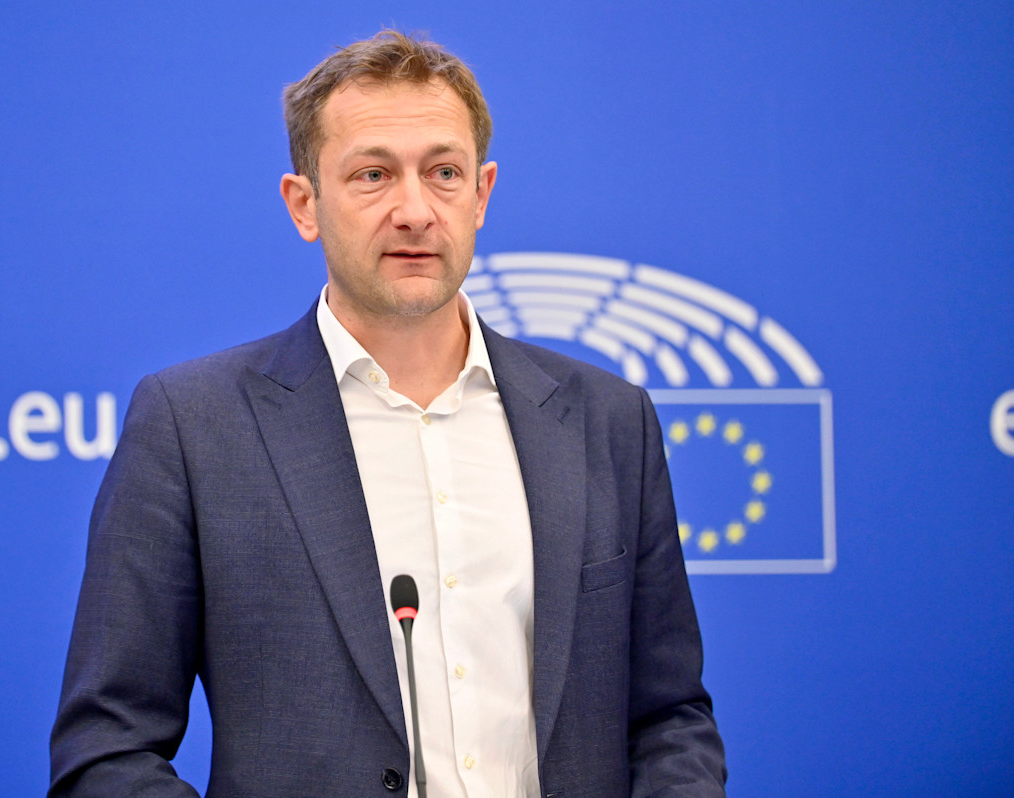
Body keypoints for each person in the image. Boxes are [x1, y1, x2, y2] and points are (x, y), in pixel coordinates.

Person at [49, 30, 726, 797]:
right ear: (304, 204)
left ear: (481, 195)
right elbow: (108, 750)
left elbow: (670, 718)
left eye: (443, 173)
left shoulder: (608, 421)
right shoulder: (194, 427)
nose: (414, 211)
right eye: (373, 175)